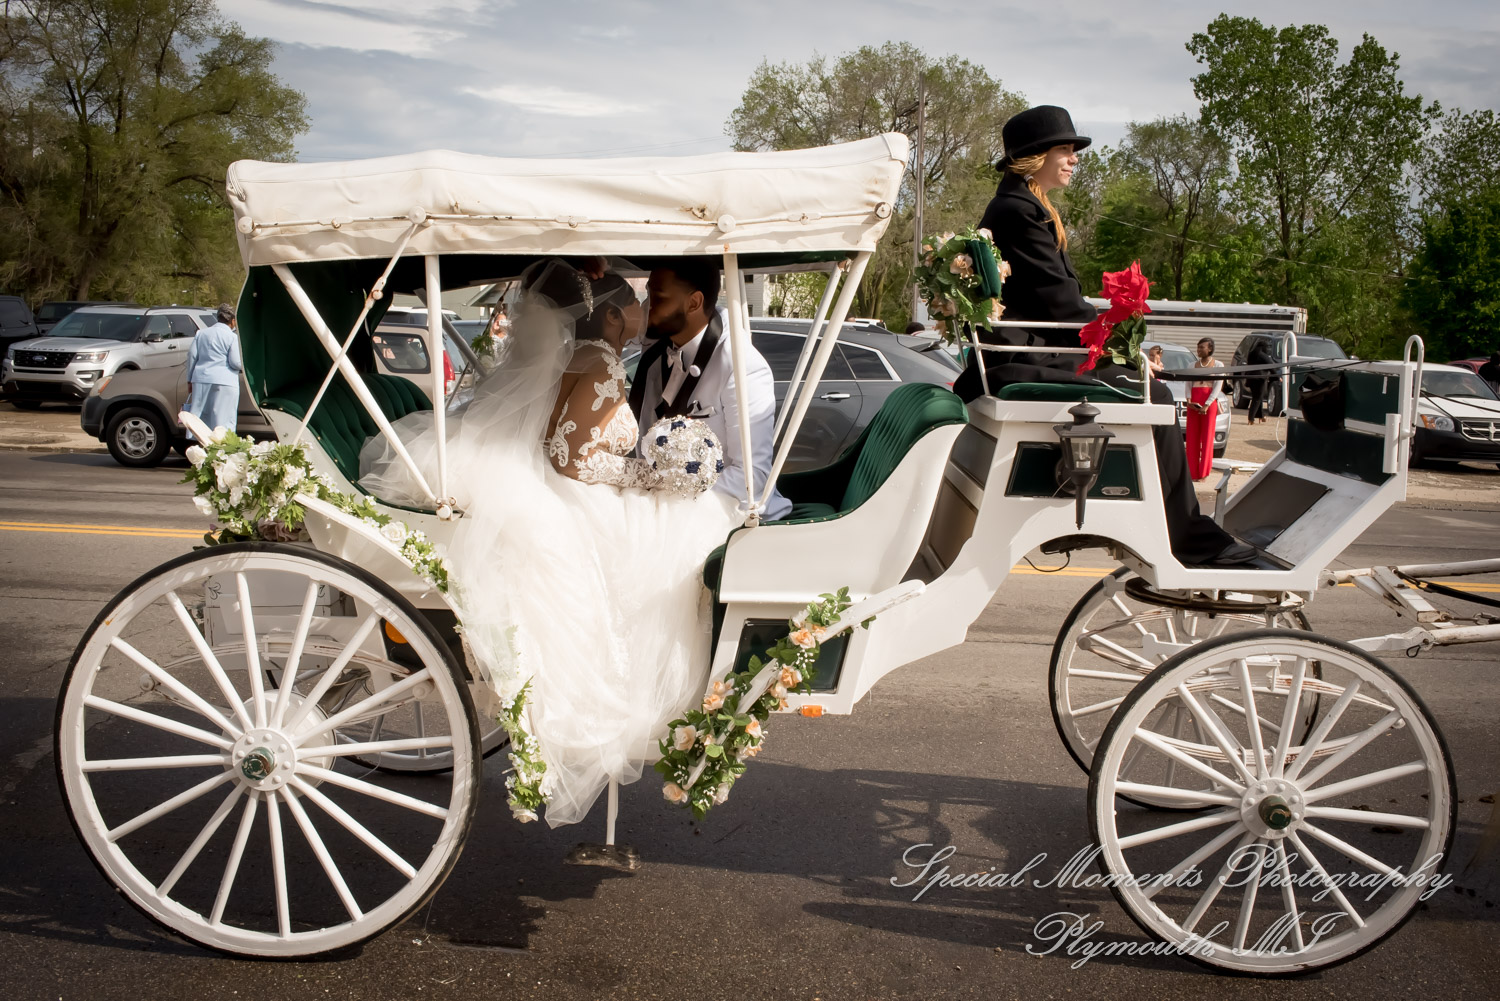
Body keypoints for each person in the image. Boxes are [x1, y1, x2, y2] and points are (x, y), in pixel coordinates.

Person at [358, 259, 741, 827]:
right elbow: (574, 457)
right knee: (669, 540)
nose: (640, 309)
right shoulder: (604, 365)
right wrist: (652, 479)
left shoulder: (582, 358)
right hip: (577, 490)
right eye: (632, 302)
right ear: (611, 316)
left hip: (559, 486)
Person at [952, 104, 1255, 566]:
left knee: (1147, 386)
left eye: (1074, 150)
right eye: (1065, 150)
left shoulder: (1020, 205)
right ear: (1036, 156)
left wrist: (1117, 343)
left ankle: (1167, 523)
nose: (1074, 158)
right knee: (1152, 395)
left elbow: (1060, 303)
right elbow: (1061, 305)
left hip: (1028, 348)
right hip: (1030, 353)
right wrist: (1127, 351)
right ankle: (1185, 537)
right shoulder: (1020, 210)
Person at [629, 259, 791, 521]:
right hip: (661, 507)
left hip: (727, 514)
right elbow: (610, 321)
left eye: (657, 297)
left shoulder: (740, 364)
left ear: (693, 303)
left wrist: (666, 498)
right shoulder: (657, 343)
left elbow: (752, 478)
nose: (646, 308)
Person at [183, 303, 242, 437]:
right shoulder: (232, 337)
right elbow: (235, 362)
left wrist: (189, 380)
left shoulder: (201, 334)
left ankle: (201, 447)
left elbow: (192, 356)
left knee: (200, 416)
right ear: (232, 320)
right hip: (225, 381)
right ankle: (221, 449)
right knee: (223, 419)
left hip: (201, 378)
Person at [1186, 337, 1223, 480]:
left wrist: (1207, 404)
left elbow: (1218, 386)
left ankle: (1203, 472)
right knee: (1192, 436)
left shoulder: (1218, 365)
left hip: (1209, 402)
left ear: (1210, 349)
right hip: (1194, 401)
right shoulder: (1191, 365)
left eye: (1202, 347)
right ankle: (1192, 471)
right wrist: (1188, 400)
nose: (1199, 350)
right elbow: (1188, 383)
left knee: (1207, 437)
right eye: (1198, 347)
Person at [1246, 338, 1275, 424]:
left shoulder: (1251, 354)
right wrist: (1277, 376)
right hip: (1260, 380)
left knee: (1258, 397)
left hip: (1250, 378)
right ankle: (1251, 418)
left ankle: (1261, 416)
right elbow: (1271, 366)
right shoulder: (1262, 355)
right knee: (1257, 398)